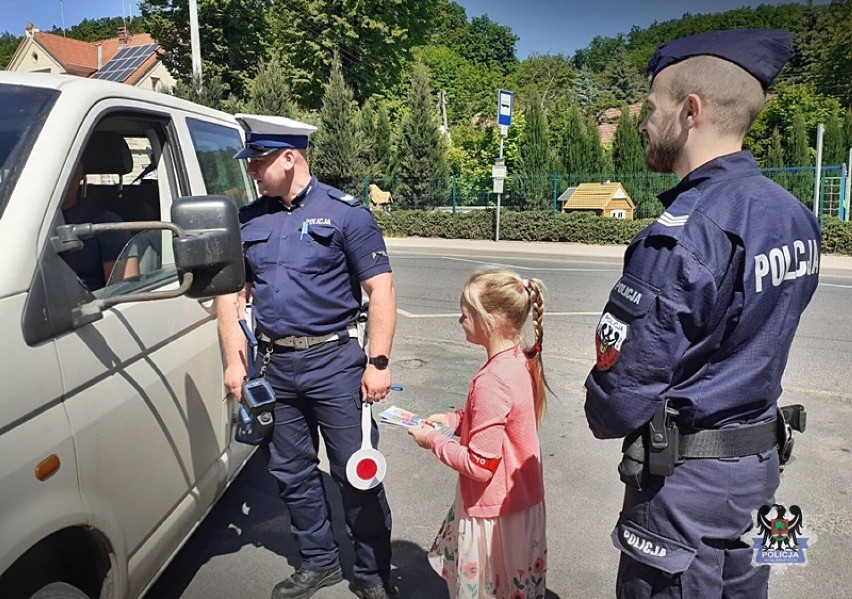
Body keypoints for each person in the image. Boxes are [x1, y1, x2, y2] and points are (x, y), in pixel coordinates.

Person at [583, 29, 821, 597]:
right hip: (760, 469)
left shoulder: (685, 235)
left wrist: (602, 408)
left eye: (652, 107)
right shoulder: (793, 214)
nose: (643, 122)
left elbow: (622, 392)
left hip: (686, 489)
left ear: (691, 111)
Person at [217, 114, 397, 599]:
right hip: (275, 367)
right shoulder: (249, 218)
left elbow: (380, 290)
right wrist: (236, 361)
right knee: (291, 472)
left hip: (335, 363)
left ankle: (373, 571)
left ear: (289, 157)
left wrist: (377, 362)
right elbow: (231, 293)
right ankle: (320, 562)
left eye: (258, 161)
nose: (252, 171)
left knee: (357, 473)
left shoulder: (346, 214)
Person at [409, 267, 548, 599]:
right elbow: (497, 422)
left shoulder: (492, 379)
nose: (460, 320)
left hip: (492, 512)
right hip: (519, 504)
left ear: (491, 321)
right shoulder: (519, 360)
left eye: (466, 313)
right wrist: (453, 419)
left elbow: (480, 465)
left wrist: (432, 441)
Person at [61, 161, 137, 290]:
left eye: (69, 167)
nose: (62, 176)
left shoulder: (107, 225)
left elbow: (124, 292)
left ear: (81, 172)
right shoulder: (17, 220)